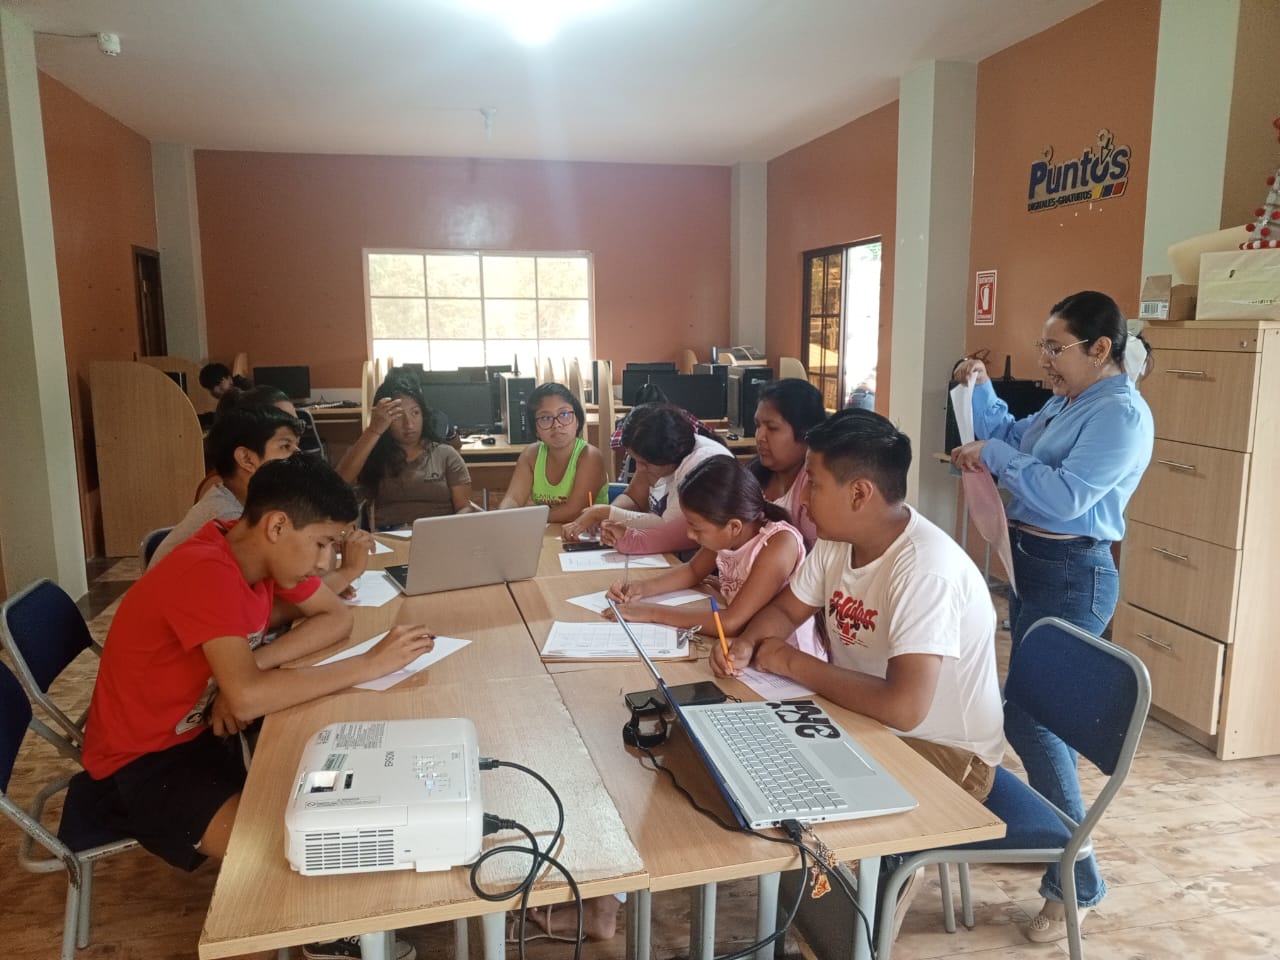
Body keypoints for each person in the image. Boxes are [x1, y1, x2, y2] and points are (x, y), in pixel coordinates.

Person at [713, 409, 1005, 939]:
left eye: (814, 483)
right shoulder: (838, 541)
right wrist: (751, 642)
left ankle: (858, 919)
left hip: (945, 753)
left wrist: (790, 661)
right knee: (759, 772)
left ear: (859, 493)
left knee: (815, 817)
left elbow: (904, 708)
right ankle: (809, 920)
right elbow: (785, 611)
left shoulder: (925, 570)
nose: (803, 498)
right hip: (867, 724)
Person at [950, 290, 1154, 943]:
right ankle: (1059, 843)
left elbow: (1066, 498)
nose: (1044, 359)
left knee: (1031, 717)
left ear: (1101, 348)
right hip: (1034, 564)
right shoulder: (1069, 401)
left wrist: (995, 454)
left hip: (1073, 574)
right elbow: (1016, 436)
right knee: (1036, 718)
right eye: (1044, 345)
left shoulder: (1120, 415)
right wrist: (980, 391)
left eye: (1055, 347)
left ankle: (1077, 876)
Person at [604, 456, 818, 655]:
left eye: (696, 528)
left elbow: (730, 623)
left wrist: (651, 613)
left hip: (784, 653)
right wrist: (640, 589)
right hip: (744, 647)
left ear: (734, 526)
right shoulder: (728, 533)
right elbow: (693, 571)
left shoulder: (778, 544)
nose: (690, 535)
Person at [562, 402, 732, 553]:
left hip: (693, 557)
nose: (639, 469)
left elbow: (667, 529)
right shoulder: (656, 453)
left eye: (644, 463)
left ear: (670, 457)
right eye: (636, 460)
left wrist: (604, 512)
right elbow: (634, 498)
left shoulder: (701, 467)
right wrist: (605, 519)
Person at [336, 371, 476, 528]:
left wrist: (448, 529)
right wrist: (374, 430)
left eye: (415, 412)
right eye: (398, 416)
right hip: (387, 536)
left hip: (438, 533)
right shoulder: (373, 455)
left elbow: (464, 507)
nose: (409, 424)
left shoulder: (445, 454)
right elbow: (339, 483)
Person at [498, 382, 609, 522]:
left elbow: (574, 511)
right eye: (546, 418)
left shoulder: (591, 456)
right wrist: (504, 515)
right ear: (536, 430)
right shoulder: (530, 456)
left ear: (577, 421)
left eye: (564, 414)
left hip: (587, 534)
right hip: (548, 532)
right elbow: (513, 499)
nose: (556, 424)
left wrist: (526, 519)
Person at [748, 378, 826, 547]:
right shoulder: (754, 474)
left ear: (805, 432)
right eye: (758, 426)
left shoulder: (812, 487)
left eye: (772, 428)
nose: (759, 437)